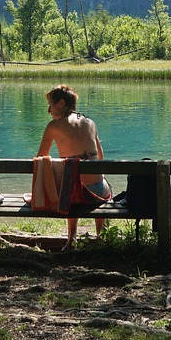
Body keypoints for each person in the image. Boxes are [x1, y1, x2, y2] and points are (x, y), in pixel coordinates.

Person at [36, 84, 112, 244]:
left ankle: (71, 239)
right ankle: (101, 237)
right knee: (91, 182)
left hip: (73, 194)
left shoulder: (53, 127)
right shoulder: (90, 123)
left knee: (70, 181)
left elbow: (40, 158)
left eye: (51, 105)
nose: (49, 111)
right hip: (99, 191)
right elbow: (100, 156)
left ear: (61, 103)